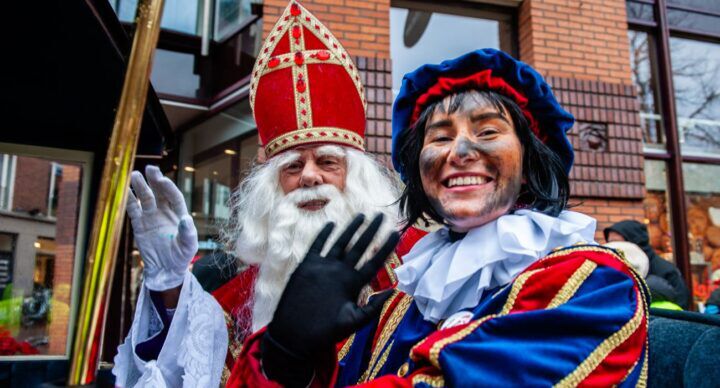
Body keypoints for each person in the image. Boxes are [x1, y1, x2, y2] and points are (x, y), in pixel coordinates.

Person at [232, 49, 649, 386]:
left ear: (529, 164)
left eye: (487, 132)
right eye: (441, 138)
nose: (461, 152)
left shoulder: (593, 285)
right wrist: (287, 357)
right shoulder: (404, 301)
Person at [111, 3, 426, 386]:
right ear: (270, 187)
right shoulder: (232, 289)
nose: (309, 177)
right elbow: (179, 370)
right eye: (292, 167)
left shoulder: (420, 262)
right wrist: (168, 285)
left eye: (327, 161)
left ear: (356, 177)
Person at [605, 219, 690, 309]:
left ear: (634, 240)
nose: (612, 246)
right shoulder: (610, 268)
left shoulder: (666, 270)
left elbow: (682, 303)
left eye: (617, 242)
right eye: (609, 242)